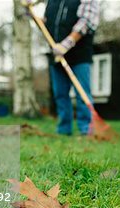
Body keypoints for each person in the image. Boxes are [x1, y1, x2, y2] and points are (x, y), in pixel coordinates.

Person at [43, 0, 100, 135]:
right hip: (57, 54)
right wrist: (30, 13)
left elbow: (87, 22)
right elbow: (46, 24)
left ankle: (87, 129)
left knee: (82, 93)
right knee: (60, 94)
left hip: (79, 55)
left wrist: (67, 43)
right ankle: (64, 129)